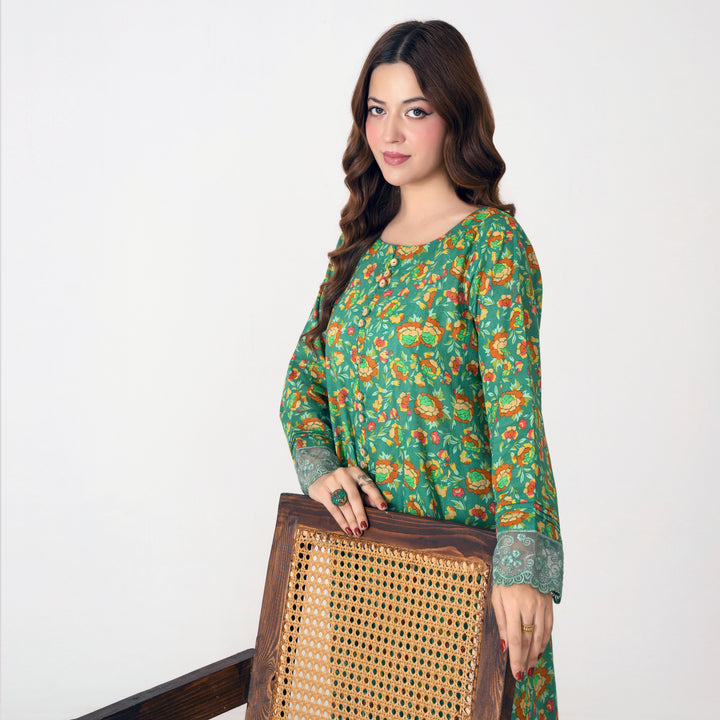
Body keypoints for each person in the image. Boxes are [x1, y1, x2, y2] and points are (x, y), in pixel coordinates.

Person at [279, 19, 562, 720]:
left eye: (415, 111)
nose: (390, 133)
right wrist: (321, 469)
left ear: (454, 116)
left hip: (467, 570)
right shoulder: (361, 251)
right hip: (369, 574)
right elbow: (303, 382)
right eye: (377, 110)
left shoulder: (491, 246)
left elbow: (516, 416)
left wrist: (523, 570)